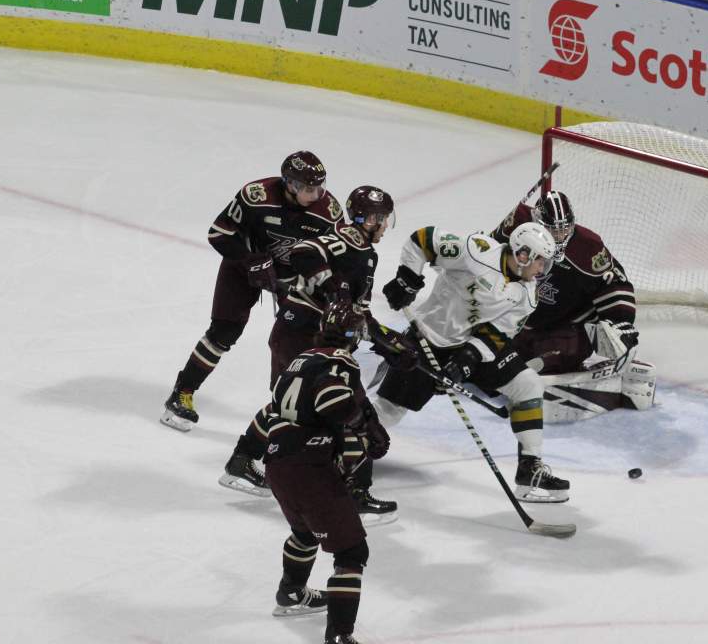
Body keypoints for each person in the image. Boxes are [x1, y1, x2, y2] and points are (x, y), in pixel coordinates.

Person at [220, 187, 409, 520]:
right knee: (348, 406)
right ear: (365, 219)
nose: (384, 225)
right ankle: (355, 494)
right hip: (301, 333)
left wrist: (386, 340)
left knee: (292, 404)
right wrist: (332, 284)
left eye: (385, 219)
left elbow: (357, 310)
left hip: (305, 335)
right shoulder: (345, 238)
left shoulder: (367, 253)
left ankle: (242, 460)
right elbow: (303, 252)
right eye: (380, 218)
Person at [373, 222, 573, 502]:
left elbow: (498, 333)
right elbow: (423, 239)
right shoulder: (477, 251)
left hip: (471, 346)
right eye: (540, 260)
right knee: (388, 412)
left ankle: (530, 469)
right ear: (522, 254)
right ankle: (339, 447)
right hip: (428, 338)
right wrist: (407, 278)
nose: (543, 268)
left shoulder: (528, 294)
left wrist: (468, 359)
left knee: (527, 384)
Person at [161, 152, 343, 432]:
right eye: (309, 188)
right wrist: (250, 260)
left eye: (320, 187)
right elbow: (219, 233)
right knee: (224, 331)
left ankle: (286, 411)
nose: (317, 194)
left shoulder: (328, 211)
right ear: (290, 184)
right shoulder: (256, 196)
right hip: (243, 268)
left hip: (293, 277)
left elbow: (337, 256)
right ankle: (182, 392)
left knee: (296, 341)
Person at [262, 300, 376, 644]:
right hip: (309, 467)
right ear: (354, 336)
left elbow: (271, 410)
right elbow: (332, 400)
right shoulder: (340, 361)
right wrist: (362, 426)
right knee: (351, 552)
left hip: (277, 461)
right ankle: (339, 636)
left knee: (306, 532)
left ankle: (291, 593)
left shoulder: (300, 360)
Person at [491, 191, 653, 423]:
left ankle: (542, 363)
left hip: (564, 325)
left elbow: (614, 284)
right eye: (552, 230)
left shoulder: (587, 247)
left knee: (561, 348)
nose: (559, 236)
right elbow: (489, 256)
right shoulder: (518, 225)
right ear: (536, 221)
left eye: (564, 229)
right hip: (519, 321)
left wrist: (621, 322)